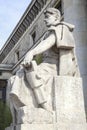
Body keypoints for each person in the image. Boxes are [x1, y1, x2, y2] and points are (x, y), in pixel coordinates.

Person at [22, 8, 80, 112]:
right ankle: (33, 107)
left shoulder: (61, 28)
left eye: (47, 17)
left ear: (57, 17)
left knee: (33, 73)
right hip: (46, 66)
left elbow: (48, 43)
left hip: (54, 68)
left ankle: (45, 108)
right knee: (21, 73)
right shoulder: (48, 32)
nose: (44, 20)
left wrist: (31, 52)